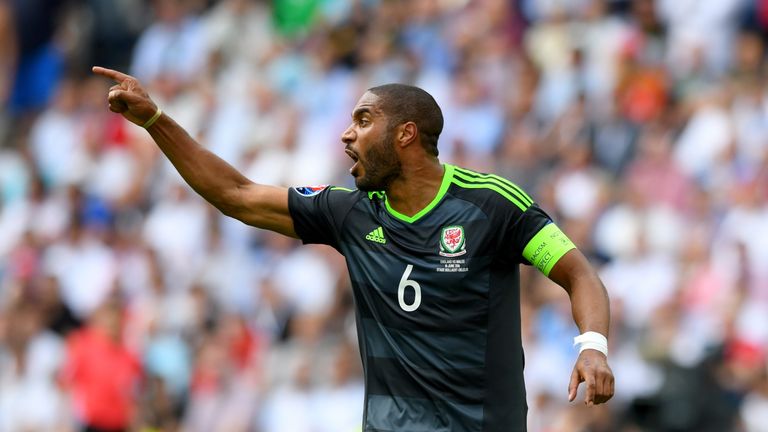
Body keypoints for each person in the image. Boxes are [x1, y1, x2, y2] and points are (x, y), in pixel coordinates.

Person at [92, 65, 614, 431]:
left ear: (406, 134)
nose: (346, 135)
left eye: (363, 120)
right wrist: (156, 121)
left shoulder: (491, 205)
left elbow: (579, 274)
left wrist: (592, 344)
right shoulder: (350, 212)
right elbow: (237, 194)